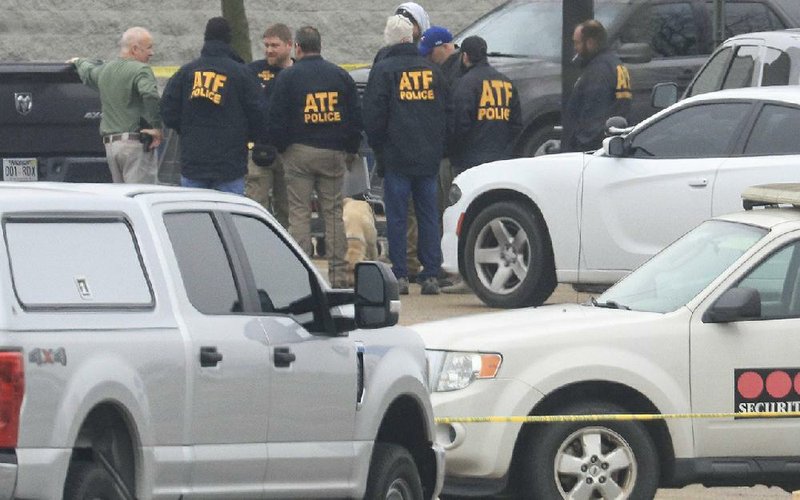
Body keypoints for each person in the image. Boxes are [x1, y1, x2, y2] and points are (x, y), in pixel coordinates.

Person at [267, 26, 362, 288]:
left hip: (298, 151)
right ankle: (339, 275)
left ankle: (302, 275)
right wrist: (350, 148)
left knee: (299, 213)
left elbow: (276, 118)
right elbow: (354, 116)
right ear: (319, 46)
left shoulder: (288, 77)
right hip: (332, 151)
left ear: (297, 47)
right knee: (332, 213)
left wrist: (283, 147)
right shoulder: (339, 76)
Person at [363, 15, 448, 295]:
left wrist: (380, 151)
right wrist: (438, 146)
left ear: (389, 38)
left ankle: (400, 273)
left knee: (397, 216)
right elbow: (446, 111)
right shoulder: (432, 70)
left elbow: (374, 116)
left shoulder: (385, 70)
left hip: (396, 155)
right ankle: (432, 273)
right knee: (428, 215)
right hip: (427, 156)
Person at [160, 17, 263, 194]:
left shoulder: (186, 72)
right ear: (228, 40)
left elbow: (168, 111)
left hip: (194, 161)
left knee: (194, 216)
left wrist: (186, 129)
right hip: (230, 164)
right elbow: (258, 114)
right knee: (229, 216)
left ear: (206, 38)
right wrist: (245, 137)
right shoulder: (242, 73)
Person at [68, 27, 162, 184]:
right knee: (141, 197)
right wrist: (156, 127)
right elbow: (150, 94)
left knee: (122, 199)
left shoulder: (105, 70)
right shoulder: (141, 70)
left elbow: (87, 70)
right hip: (135, 146)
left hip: (111, 147)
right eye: (149, 48)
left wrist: (77, 61)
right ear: (135, 49)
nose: (151, 53)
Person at [449, 35, 522, 176]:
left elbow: (459, 125)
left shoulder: (465, 84)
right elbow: (516, 125)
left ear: (465, 56)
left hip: (470, 162)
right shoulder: (506, 83)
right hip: (501, 160)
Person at [245, 23, 293, 227]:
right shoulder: (252, 71)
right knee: (255, 205)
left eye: (275, 45)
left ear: (289, 45)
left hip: (290, 151)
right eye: (266, 45)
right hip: (258, 150)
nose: (269, 50)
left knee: (289, 208)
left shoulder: (299, 71)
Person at [561, 19, 632, 153]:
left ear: (590, 43)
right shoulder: (615, 64)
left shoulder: (598, 71)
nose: (575, 48)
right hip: (611, 144)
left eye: (577, 43)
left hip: (592, 151)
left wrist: (577, 148)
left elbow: (592, 120)